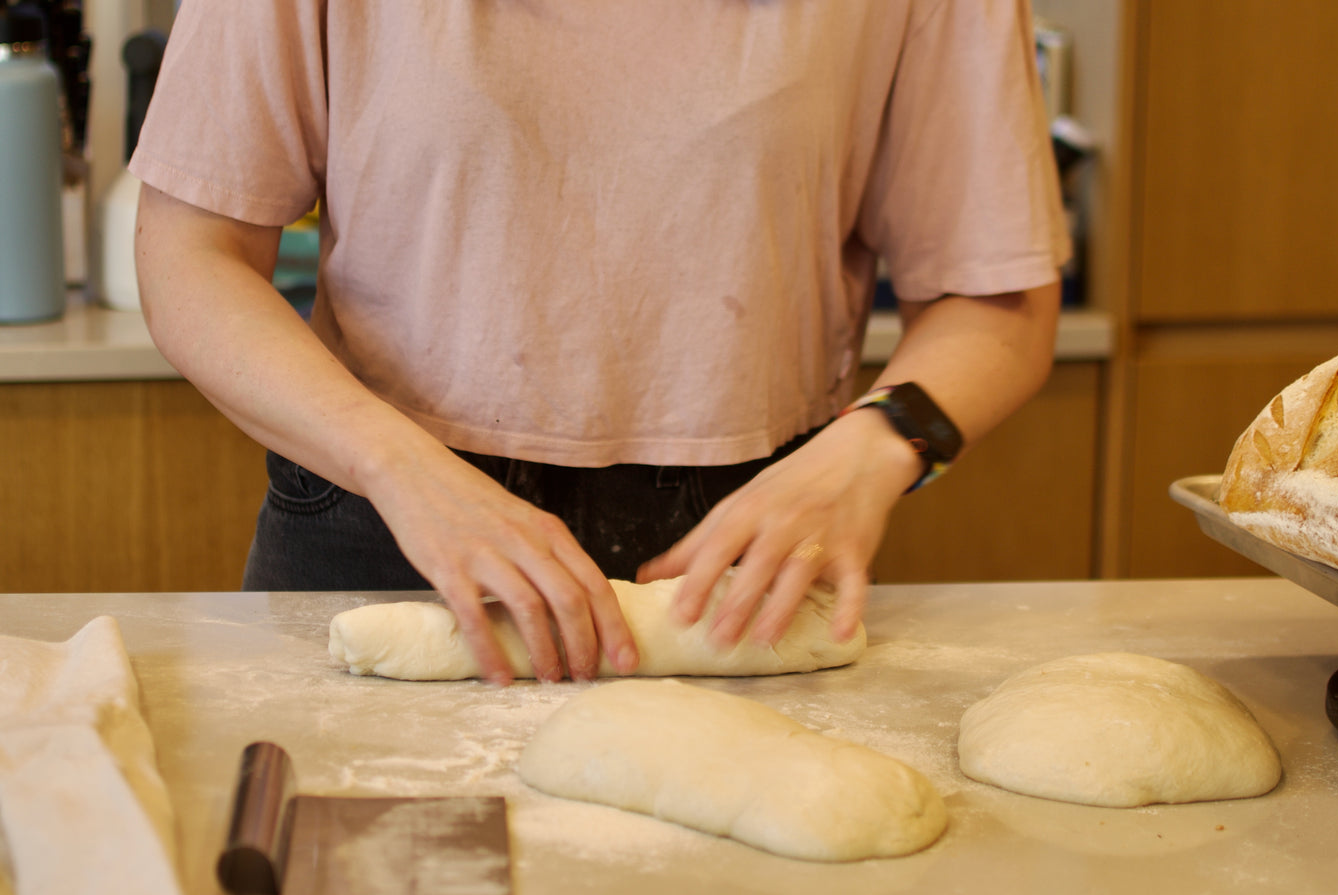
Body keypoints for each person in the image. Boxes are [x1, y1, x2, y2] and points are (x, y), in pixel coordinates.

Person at [131, 1, 1069, 685]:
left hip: (746, 554)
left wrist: (876, 446)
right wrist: (397, 467)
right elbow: (191, 256)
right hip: (386, 517)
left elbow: (1000, 304)